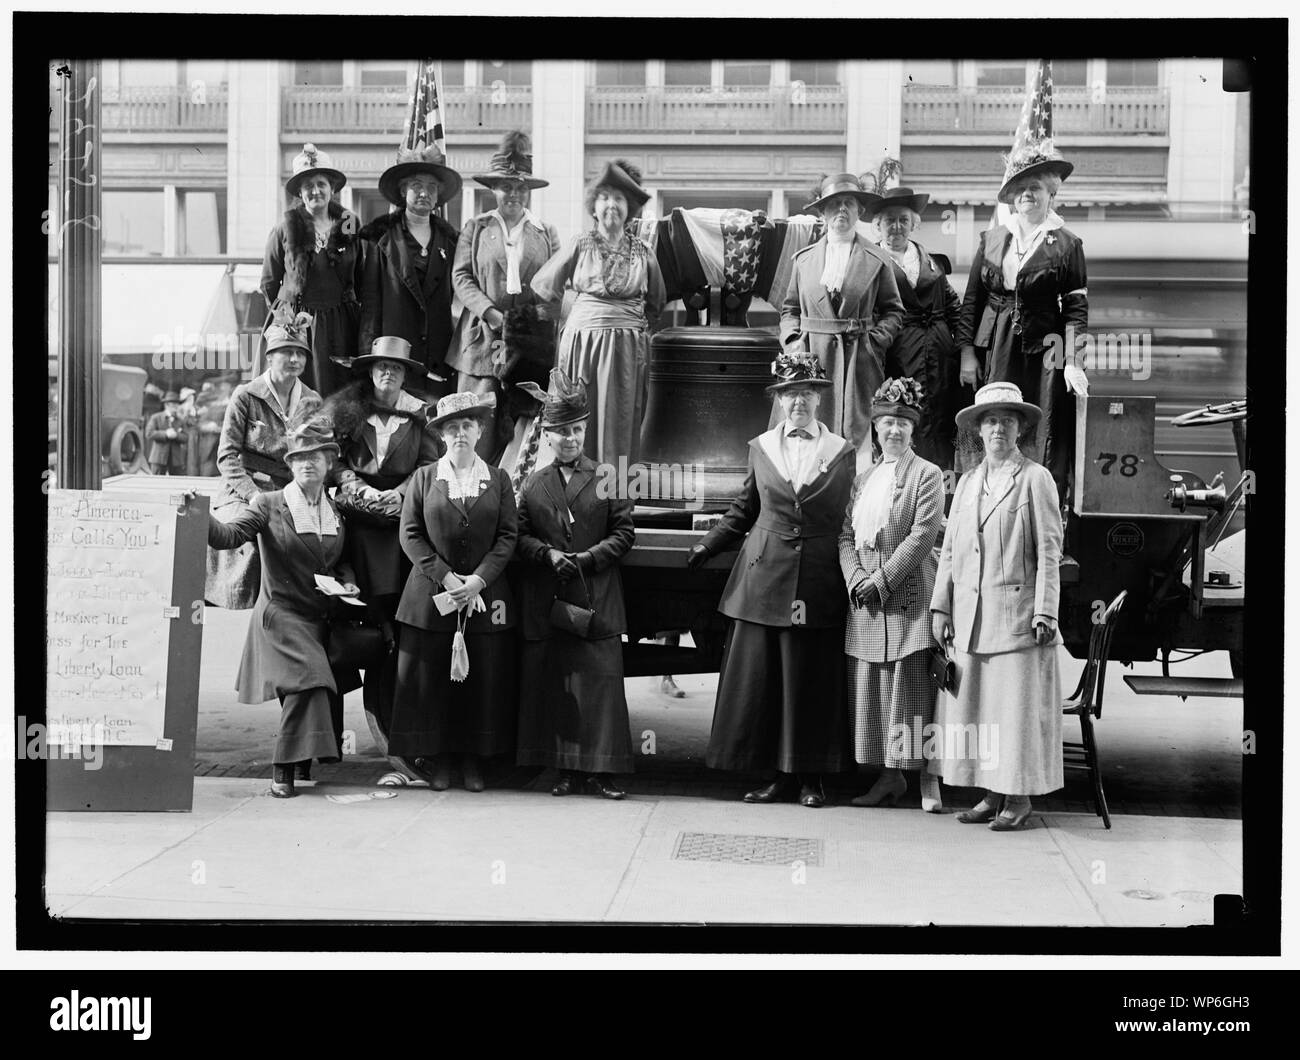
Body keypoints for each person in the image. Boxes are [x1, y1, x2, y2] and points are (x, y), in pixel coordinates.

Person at [687, 352, 856, 807]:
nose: (798, 402)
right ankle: (776, 777)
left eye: (806, 393)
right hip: (764, 579)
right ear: (779, 401)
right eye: (789, 394)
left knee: (812, 679)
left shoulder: (842, 451)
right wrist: (709, 545)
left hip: (818, 579)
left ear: (819, 399)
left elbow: (851, 517)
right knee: (767, 682)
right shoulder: (760, 447)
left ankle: (811, 778)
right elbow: (745, 510)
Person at [929, 382, 1064, 831]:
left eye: (1008, 420)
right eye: (990, 421)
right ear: (979, 431)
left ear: (1020, 429)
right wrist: (941, 608)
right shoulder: (967, 482)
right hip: (970, 618)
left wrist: (1045, 611)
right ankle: (990, 794)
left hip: (1018, 619)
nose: (999, 429)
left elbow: (1049, 550)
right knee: (982, 712)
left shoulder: (1035, 479)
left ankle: (1019, 797)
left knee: (1014, 712)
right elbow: (949, 550)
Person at [205, 422, 361, 798]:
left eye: (316, 457)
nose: (308, 464)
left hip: (318, 616)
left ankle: (297, 767)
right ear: (290, 465)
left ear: (328, 464)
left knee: (303, 689)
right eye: (299, 458)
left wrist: (348, 580)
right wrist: (197, 513)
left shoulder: (336, 510)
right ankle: (282, 767)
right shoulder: (268, 503)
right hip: (280, 613)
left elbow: (338, 561)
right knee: (313, 680)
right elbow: (229, 536)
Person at [388, 392, 519, 792]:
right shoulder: (425, 478)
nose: (460, 433)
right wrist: (446, 578)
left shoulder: (498, 480)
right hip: (431, 599)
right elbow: (410, 535)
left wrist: (479, 580)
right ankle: (439, 762)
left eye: (467, 425)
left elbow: (507, 536)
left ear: (480, 431)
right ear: (442, 435)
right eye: (452, 427)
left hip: (485, 599)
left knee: (480, 683)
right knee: (432, 685)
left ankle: (473, 763)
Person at [515, 369, 636, 799]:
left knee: (601, 684)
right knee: (561, 684)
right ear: (547, 436)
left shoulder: (606, 476)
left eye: (577, 430)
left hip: (597, 595)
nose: (570, 438)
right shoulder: (533, 483)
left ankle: (603, 772)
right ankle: (566, 770)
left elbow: (624, 533)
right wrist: (546, 555)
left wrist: (586, 559)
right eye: (561, 431)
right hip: (554, 600)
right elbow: (520, 534)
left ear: (585, 432)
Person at [955, 139, 1089, 505]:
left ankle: (1035, 504)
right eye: (1021, 189)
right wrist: (968, 353)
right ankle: (985, 500)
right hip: (996, 343)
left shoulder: (1067, 244)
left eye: (1036, 187)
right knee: (994, 417)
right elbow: (973, 299)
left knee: (1041, 422)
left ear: (1050, 193)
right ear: (1012, 197)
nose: (1027, 194)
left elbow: (1076, 307)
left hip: (1046, 350)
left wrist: (1073, 360)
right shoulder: (994, 239)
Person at [319, 336, 444, 727]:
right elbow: (334, 461)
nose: (388, 373)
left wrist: (401, 495)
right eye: (381, 367)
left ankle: (395, 639)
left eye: (396, 367)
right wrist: (359, 489)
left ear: (405, 375)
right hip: (358, 513)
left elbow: (429, 465)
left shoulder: (419, 415)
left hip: (402, 514)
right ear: (371, 372)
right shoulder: (349, 411)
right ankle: (372, 632)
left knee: (403, 573)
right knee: (356, 579)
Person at [839, 377, 945, 811]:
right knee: (877, 691)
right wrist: (855, 579)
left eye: (902, 423)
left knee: (913, 689)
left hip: (909, 598)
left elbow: (922, 536)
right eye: (887, 423)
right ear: (876, 430)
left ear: (913, 430)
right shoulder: (863, 479)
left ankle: (927, 781)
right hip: (865, 602)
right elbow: (846, 534)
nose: (894, 431)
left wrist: (880, 582)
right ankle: (889, 778)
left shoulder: (928, 475)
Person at [531, 158, 666, 466]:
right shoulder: (580, 243)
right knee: (578, 415)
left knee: (621, 418)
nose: (611, 205)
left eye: (619, 198)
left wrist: (631, 328)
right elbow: (545, 287)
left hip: (627, 352)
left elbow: (657, 303)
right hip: (583, 347)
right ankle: (575, 495)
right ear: (594, 205)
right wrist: (573, 319)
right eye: (605, 197)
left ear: (629, 208)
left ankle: (615, 499)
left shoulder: (644, 253)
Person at [449, 131, 560, 463]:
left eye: (520, 188)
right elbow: (461, 276)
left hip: (527, 346)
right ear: (493, 190)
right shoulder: (477, 227)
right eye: (506, 187)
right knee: (474, 422)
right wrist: (490, 313)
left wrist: (533, 320)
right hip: (482, 338)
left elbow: (556, 288)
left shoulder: (545, 232)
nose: (513, 194)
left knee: (521, 427)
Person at [779, 173, 904, 451]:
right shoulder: (804, 260)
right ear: (823, 211)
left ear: (859, 210)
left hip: (859, 359)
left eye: (849, 203)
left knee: (855, 439)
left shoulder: (878, 259)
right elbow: (790, 310)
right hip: (811, 356)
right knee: (807, 435)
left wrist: (874, 343)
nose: (842, 210)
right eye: (834, 204)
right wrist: (793, 343)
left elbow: (893, 311)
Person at [206, 313, 322, 610]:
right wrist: (253, 494)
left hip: (289, 489)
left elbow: (316, 454)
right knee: (251, 540)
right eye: (287, 352)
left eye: (300, 353)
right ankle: (240, 610)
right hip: (244, 487)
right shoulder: (246, 396)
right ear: (270, 357)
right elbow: (227, 456)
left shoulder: (312, 401)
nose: (294, 359)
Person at [358, 143, 463, 400]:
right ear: (403, 190)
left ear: (438, 197)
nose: (424, 193)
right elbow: (370, 305)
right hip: (394, 355)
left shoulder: (453, 242)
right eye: (416, 186)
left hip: (438, 357)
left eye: (431, 188)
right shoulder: (379, 239)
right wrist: (368, 356)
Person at [868, 187, 962, 470]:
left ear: (913, 224)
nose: (896, 227)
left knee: (943, 418)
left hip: (939, 353)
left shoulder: (931, 261)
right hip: (897, 352)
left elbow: (953, 305)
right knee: (903, 415)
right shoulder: (871, 261)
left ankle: (941, 495)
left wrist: (963, 349)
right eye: (890, 220)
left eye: (903, 220)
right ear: (878, 225)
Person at [259, 144, 362, 397]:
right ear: (300, 192)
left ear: (332, 189)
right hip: (297, 322)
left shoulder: (349, 225)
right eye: (308, 186)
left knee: (339, 393)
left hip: (340, 324)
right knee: (294, 392)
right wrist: (287, 317)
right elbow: (269, 282)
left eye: (321, 184)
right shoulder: (285, 228)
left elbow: (360, 274)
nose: (315, 191)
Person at [145, 390, 189, 475]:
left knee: (177, 484)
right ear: (166, 405)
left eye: (177, 404)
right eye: (173, 404)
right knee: (157, 484)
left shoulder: (180, 420)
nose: (176, 406)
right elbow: (149, 433)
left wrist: (176, 435)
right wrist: (165, 434)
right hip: (158, 458)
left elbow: (186, 437)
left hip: (176, 460)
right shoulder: (156, 418)